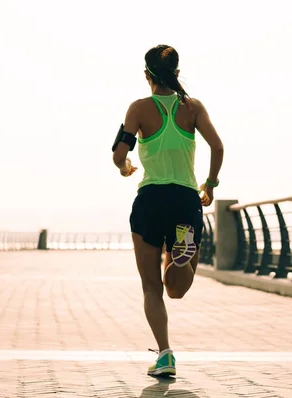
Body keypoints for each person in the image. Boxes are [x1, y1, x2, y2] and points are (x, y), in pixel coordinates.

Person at [112, 44, 224, 377]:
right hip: (185, 201)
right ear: (176, 74)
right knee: (177, 289)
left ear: (147, 75)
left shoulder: (138, 109)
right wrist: (210, 185)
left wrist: (125, 167)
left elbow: (119, 153)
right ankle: (179, 256)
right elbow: (217, 146)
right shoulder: (192, 108)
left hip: (150, 200)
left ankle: (165, 354)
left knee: (152, 288)